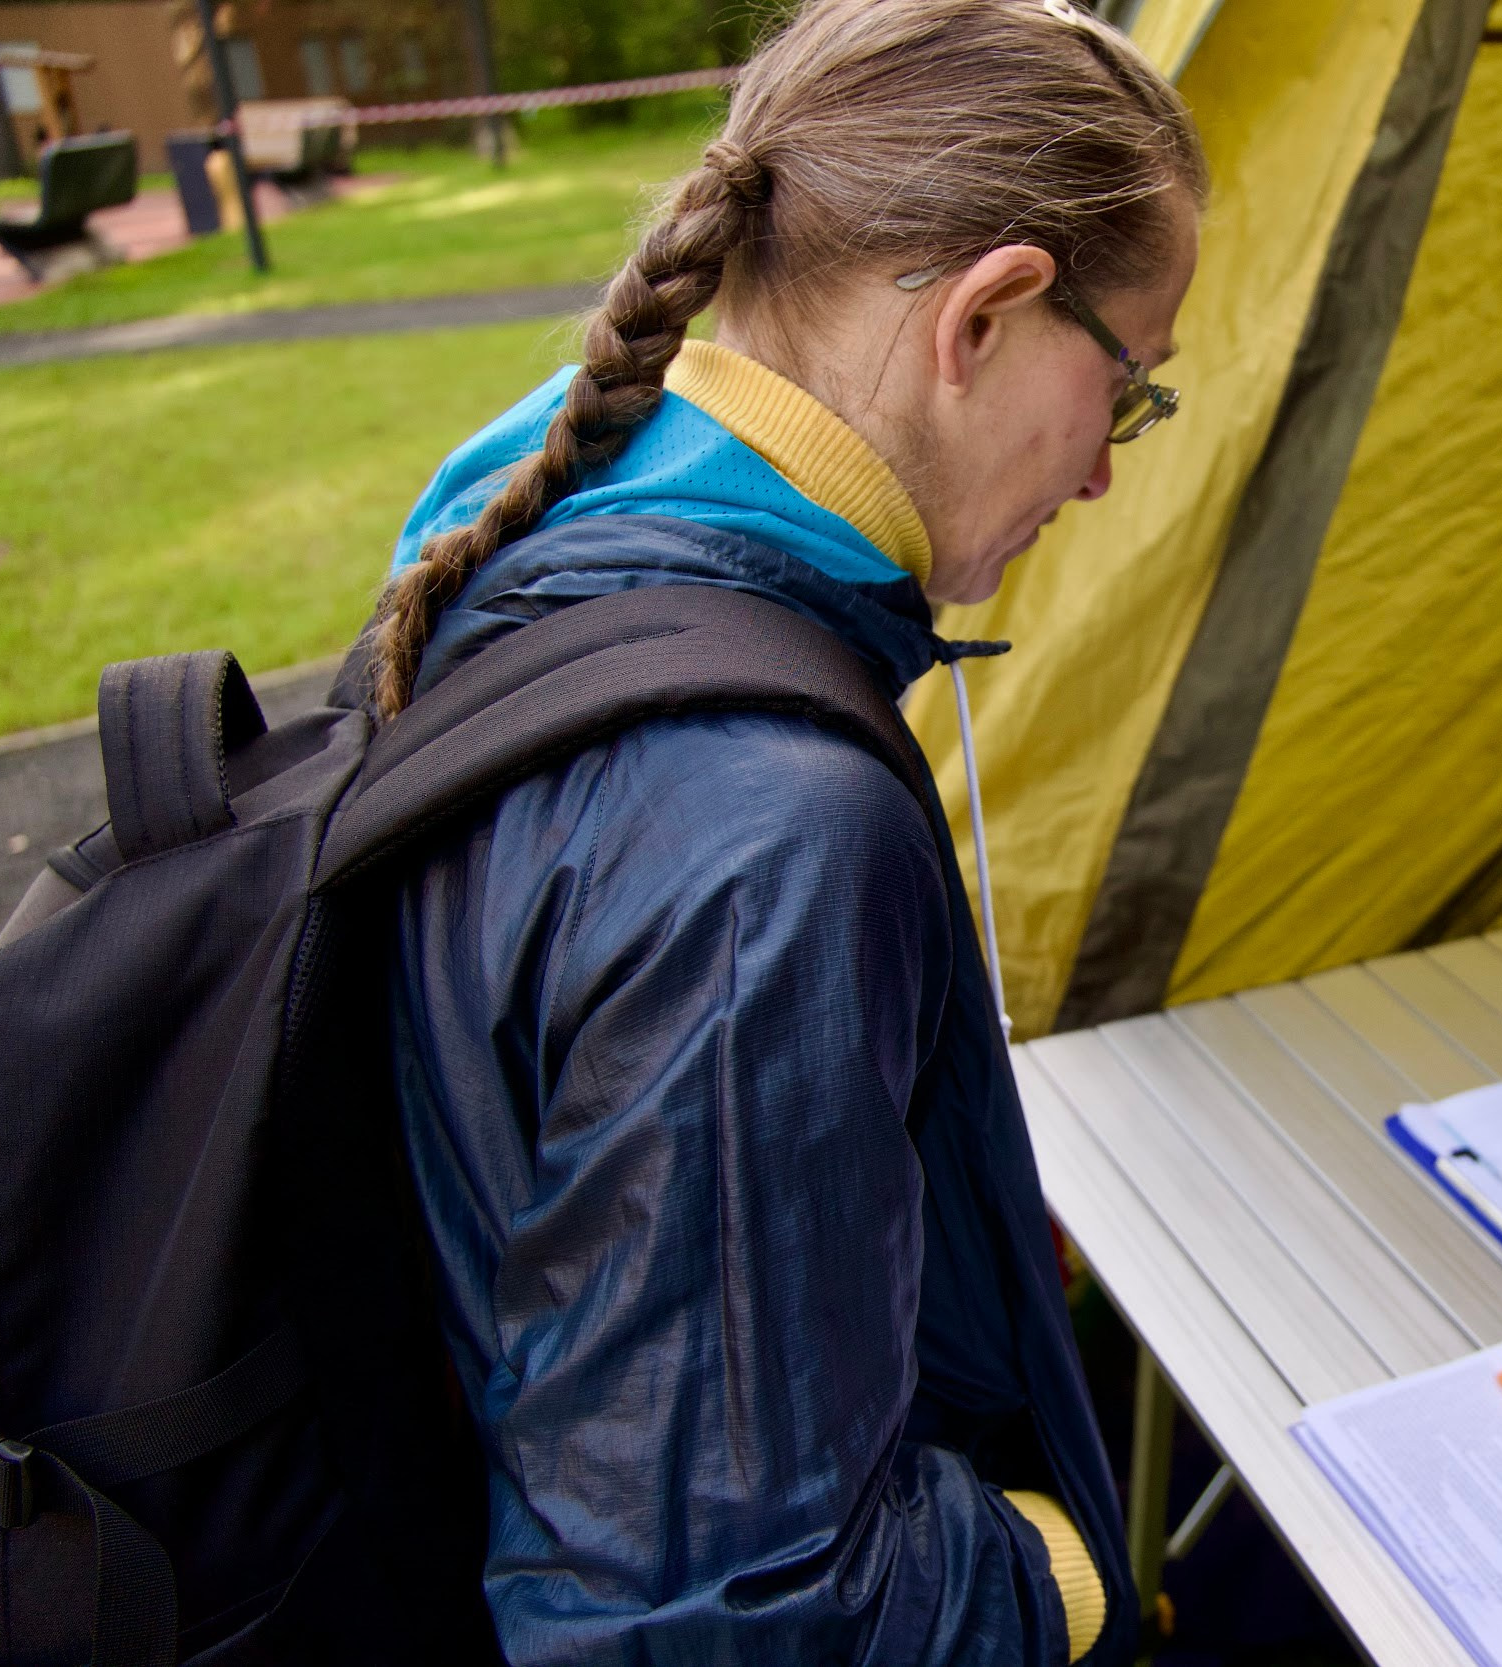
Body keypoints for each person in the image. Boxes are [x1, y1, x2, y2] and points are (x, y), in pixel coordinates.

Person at [367, 1, 1204, 1660]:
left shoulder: (548, 535)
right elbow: (720, 1615)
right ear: (991, 310)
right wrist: (1071, 1565)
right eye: (1135, 385)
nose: (1107, 469)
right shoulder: (766, 841)